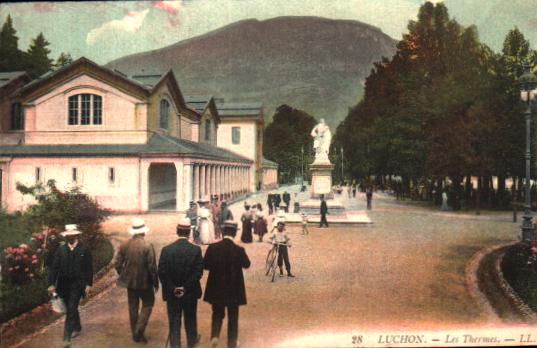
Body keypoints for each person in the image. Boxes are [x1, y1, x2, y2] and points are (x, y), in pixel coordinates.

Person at [203, 221, 251, 348]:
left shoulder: (213, 248)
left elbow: (205, 265)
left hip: (216, 288)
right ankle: (232, 343)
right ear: (235, 233)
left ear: (223, 232)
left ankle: (215, 336)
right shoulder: (239, 250)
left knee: (217, 313)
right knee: (233, 317)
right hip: (234, 290)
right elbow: (247, 264)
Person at [159, 218, 203, 348]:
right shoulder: (195, 250)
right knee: (190, 321)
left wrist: (173, 288)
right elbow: (198, 273)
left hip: (172, 295)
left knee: (174, 323)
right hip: (190, 294)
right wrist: (184, 288)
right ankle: (191, 344)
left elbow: (162, 272)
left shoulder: (166, 250)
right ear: (189, 232)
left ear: (177, 231)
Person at [47, 225, 93, 348]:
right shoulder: (61, 250)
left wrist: (88, 284)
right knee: (69, 308)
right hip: (63, 285)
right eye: (68, 236)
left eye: (72, 235)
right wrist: (51, 283)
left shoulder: (84, 250)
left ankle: (66, 338)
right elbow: (54, 268)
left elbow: (89, 268)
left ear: (77, 236)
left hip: (78, 285)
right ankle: (77, 327)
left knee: (72, 308)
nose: (70, 237)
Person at [115, 219, 158, 343]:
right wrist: (155, 282)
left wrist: (124, 274)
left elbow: (117, 263)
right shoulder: (147, 246)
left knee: (133, 307)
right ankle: (139, 329)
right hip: (145, 282)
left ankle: (135, 333)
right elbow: (152, 267)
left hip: (130, 282)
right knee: (148, 304)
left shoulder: (124, 245)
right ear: (143, 232)